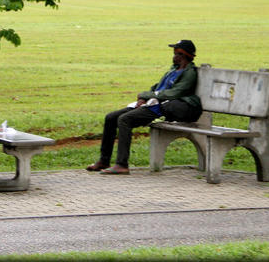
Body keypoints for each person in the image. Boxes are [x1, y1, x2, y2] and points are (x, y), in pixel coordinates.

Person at [87, 39, 203, 174]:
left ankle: (122, 164)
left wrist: (148, 95)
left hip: (161, 108)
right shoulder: (173, 70)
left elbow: (174, 93)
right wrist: (144, 97)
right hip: (151, 103)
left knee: (124, 120)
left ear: (185, 56)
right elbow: (157, 87)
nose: (174, 56)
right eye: (174, 53)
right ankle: (104, 161)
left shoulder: (189, 73)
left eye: (177, 53)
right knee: (111, 117)